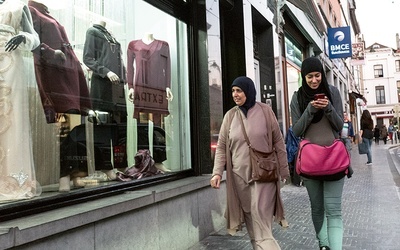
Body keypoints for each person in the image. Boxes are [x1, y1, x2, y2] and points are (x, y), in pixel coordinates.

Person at [210, 76, 289, 250]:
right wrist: (217, 172)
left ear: (249, 91)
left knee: (261, 223)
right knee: (253, 224)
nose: (235, 94)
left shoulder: (265, 111)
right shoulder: (230, 116)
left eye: (239, 90)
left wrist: (284, 171)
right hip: (240, 178)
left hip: (264, 176)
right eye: (233, 91)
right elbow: (222, 147)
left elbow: (279, 142)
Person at [290, 57, 345, 250]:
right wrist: (310, 110)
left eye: (317, 76)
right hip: (309, 163)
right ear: (303, 77)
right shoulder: (297, 98)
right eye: (309, 77)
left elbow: (339, 126)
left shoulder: (334, 93)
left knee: (334, 211)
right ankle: (324, 245)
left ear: (322, 75)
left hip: (334, 159)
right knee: (317, 208)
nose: (314, 80)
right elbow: (296, 131)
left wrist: (328, 107)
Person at [0, 0, 42, 201]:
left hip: (10, 59)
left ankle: (12, 180)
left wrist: (22, 35)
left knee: (12, 116)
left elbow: (35, 38)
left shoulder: (18, 5)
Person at [28, 0, 92, 123]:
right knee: (67, 113)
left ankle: (69, 140)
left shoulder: (45, 12)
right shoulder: (32, 10)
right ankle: (65, 140)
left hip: (69, 71)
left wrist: (77, 63)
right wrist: (51, 53)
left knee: (75, 117)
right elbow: (31, 41)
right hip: (55, 73)